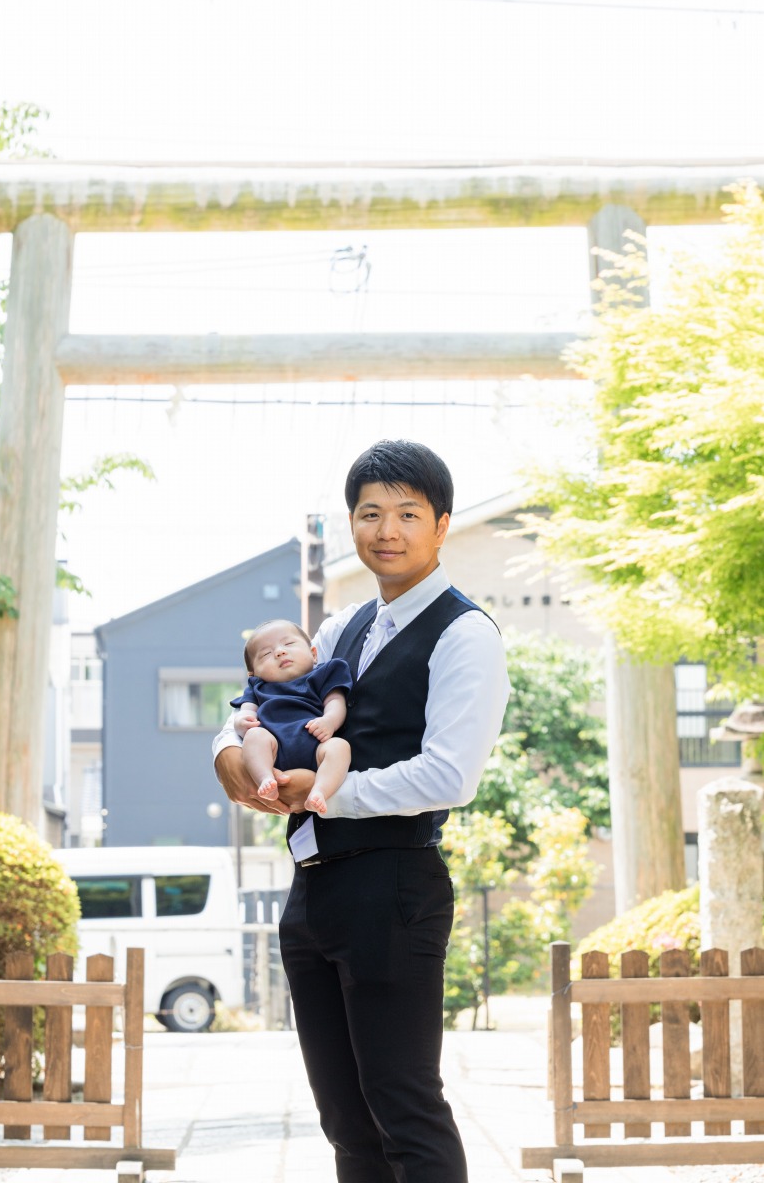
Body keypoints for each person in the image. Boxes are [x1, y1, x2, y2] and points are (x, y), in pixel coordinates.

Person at [213, 439, 510, 1183]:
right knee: (345, 1119)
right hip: (313, 887)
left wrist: (322, 793)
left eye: (407, 513)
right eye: (370, 512)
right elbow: (260, 696)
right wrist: (227, 752)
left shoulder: (465, 634)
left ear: (441, 524)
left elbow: (450, 774)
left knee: (403, 1107)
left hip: (394, 886)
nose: (387, 530)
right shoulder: (344, 626)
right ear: (350, 524)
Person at [231, 618, 353, 814]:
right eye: (266, 654)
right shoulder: (258, 687)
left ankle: (320, 791)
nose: (280, 652)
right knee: (255, 737)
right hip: (274, 749)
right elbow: (245, 711)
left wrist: (329, 721)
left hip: (316, 744)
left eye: (289, 644)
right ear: (253, 674)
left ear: (314, 654)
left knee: (339, 747)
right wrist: (241, 722)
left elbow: (335, 702)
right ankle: (265, 779)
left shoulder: (324, 674)